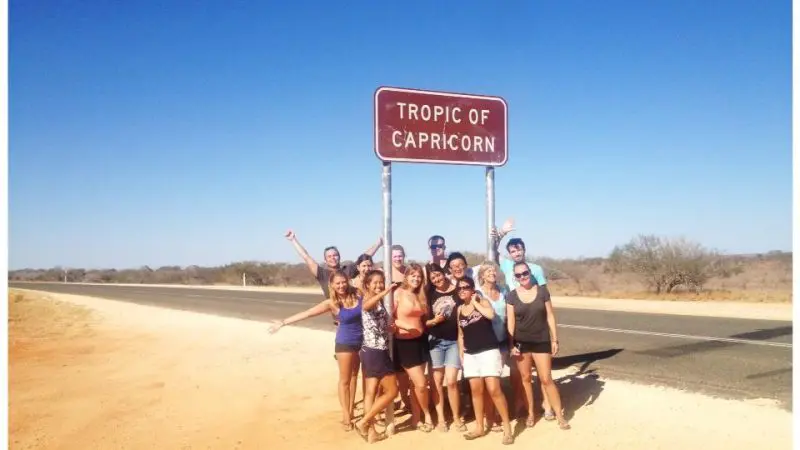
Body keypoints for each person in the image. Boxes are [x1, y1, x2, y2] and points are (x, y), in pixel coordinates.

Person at [268, 269, 363, 430]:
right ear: (332, 285)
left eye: (343, 282)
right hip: (344, 343)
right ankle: (346, 416)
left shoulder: (358, 295)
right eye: (337, 283)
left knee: (355, 377)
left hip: (361, 341)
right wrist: (283, 322)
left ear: (348, 281)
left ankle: (351, 408)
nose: (341, 285)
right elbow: (308, 313)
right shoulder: (331, 303)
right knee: (345, 380)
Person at [506, 262, 571, 430]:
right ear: (515, 277)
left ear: (530, 272)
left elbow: (550, 315)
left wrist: (554, 339)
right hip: (521, 342)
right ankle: (530, 413)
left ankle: (559, 415)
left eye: (525, 273)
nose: (522, 277)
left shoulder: (542, 292)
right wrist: (510, 343)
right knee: (526, 379)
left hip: (541, 340)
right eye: (518, 275)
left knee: (546, 378)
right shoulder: (512, 296)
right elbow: (511, 321)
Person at [456, 276, 514, 445]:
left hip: (488, 351)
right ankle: (480, 426)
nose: (462, 290)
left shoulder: (483, 302)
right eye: (459, 288)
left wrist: (475, 302)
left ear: (472, 288)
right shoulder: (459, 309)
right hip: (470, 354)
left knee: (494, 389)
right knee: (476, 391)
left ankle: (507, 428)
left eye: (466, 287)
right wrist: (461, 353)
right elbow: (460, 334)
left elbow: (490, 315)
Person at [354, 270, 401, 443]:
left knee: (371, 393)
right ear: (367, 285)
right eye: (375, 282)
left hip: (371, 350)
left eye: (381, 282)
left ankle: (371, 432)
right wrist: (385, 291)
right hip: (375, 352)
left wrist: (390, 328)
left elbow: (378, 325)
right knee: (392, 391)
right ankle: (364, 422)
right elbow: (366, 306)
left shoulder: (378, 301)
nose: (378, 285)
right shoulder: (369, 299)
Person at [392, 263, 434, 432]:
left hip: (421, 342)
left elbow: (423, 319)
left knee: (416, 385)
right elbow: (390, 319)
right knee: (421, 384)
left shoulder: (420, 295)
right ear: (406, 276)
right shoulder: (398, 293)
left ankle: (416, 418)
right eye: (413, 276)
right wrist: (406, 326)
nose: (416, 279)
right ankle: (427, 414)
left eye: (419, 276)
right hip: (404, 343)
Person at [424, 263, 467, 433]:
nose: (437, 279)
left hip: (453, 342)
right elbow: (423, 323)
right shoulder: (429, 294)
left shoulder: (457, 290)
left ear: (444, 274)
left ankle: (456, 417)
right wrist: (435, 321)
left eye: (438, 275)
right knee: (436, 382)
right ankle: (441, 418)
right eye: (433, 277)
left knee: (451, 381)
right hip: (435, 342)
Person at [284, 229, 382, 298]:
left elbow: (364, 258)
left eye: (335, 255)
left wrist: (379, 243)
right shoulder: (321, 273)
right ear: (325, 260)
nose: (333, 258)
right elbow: (306, 256)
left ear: (339, 256)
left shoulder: (348, 269)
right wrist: (293, 240)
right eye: (329, 256)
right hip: (338, 317)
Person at [475, 261, 512, 432]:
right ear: (481, 275)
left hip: (503, 341)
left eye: (493, 270)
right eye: (488, 271)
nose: (492, 273)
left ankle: (496, 414)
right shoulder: (478, 293)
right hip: (487, 344)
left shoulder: (504, 291)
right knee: (490, 383)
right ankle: (491, 417)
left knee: (495, 381)